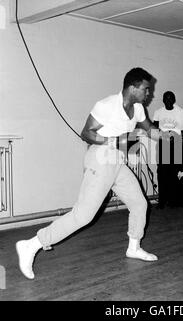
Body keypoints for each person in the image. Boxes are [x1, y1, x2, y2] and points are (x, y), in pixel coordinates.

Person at [16, 67, 165, 280]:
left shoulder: (139, 109)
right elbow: (86, 133)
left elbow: (149, 129)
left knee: (140, 204)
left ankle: (133, 247)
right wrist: (111, 141)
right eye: (146, 89)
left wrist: (168, 137)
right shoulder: (106, 106)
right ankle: (32, 244)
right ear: (132, 87)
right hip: (100, 158)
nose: (149, 93)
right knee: (83, 216)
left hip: (117, 161)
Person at [153, 91, 183, 209]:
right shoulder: (158, 112)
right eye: (166, 99)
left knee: (176, 172)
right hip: (163, 144)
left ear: (174, 99)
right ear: (163, 100)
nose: (169, 100)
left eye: (171, 98)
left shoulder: (180, 111)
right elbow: (154, 126)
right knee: (162, 173)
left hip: (177, 144)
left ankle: (176, 200)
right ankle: (162, 201)